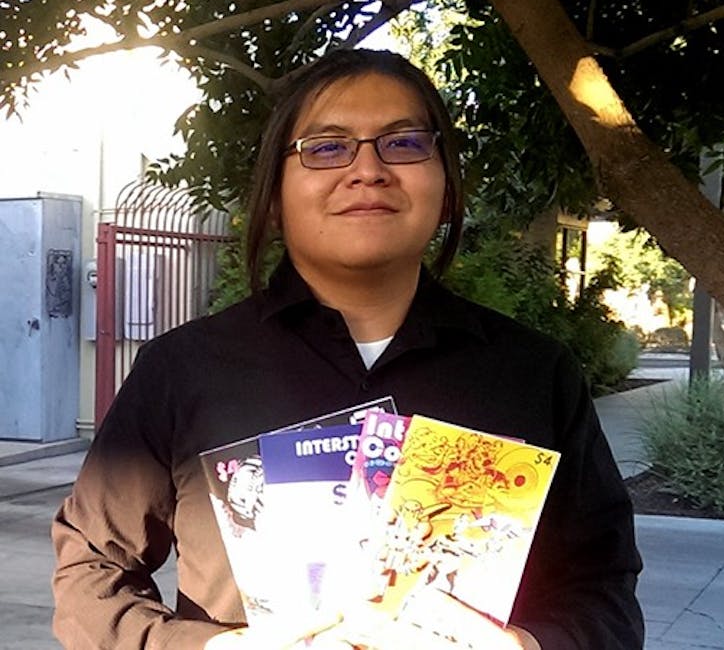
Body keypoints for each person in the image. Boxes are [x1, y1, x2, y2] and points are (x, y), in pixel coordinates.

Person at [52, 49, 643, 650]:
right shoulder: (183, 370)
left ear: (447, 189)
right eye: (327, 147)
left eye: (404, 143)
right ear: (276, 197)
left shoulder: (533, 375)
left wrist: (526, 648)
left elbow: (603, 590)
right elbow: (90, 571)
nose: (368, 170)